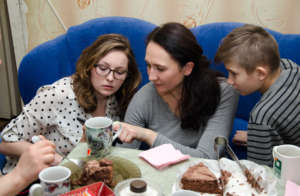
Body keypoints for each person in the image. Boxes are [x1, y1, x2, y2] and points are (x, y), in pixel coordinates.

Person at [0, 33, 141, 174]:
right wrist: (49, 157)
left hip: (82, 176)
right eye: (103, 68)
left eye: (119, 72)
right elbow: (6, 142)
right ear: (89, 66)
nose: (111, 78)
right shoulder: (58, 94)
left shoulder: (116, 98)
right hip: (35, 177)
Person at [115, 22, 239, 159]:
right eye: (148, 65)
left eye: (160, 68)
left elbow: (208, 158)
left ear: (187, 68)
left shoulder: (223, 92)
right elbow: (124, 157)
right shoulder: (144, 98)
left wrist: (148, 135)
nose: (151, 76)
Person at [214, 24, 300, 166]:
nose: (229, 81)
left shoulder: (262, 117)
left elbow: (263, 175)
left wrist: (259, 132)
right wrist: (257, 138)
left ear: (261, 73)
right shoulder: (290, 67)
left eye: (234, 73)